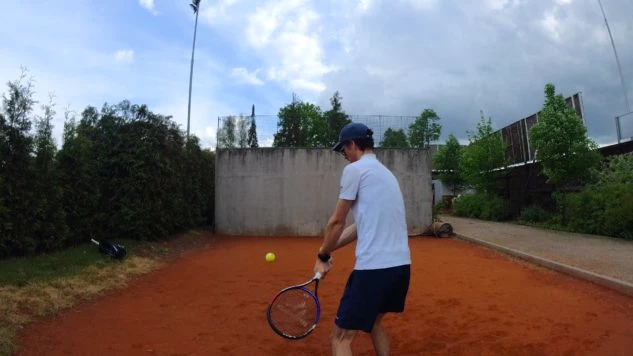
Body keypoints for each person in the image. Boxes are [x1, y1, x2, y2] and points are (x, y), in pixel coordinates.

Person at [314, 122, 411, 356]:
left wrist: (323, 256)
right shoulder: (386, 175)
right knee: (374, 323)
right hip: (400, 269)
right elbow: (360, 226)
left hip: (373, 270)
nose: (343, 156)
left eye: (343, 150)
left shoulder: (355, 170)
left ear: (353, 144)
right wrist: (327, 248)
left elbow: (337, 222)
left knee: (340, 338)